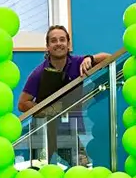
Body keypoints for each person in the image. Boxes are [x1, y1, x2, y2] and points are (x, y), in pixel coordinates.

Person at [18, 26, 110, 161]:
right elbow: (22, 104)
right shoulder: (38, 73)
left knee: (83, 167)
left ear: (68, 44)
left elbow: (109, 58)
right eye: (53, 40)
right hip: (42, 131)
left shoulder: (79, 63)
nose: (58, 43)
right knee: (39, 170)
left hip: (69, 130)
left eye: (62, 40)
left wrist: (91, 58)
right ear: (47, 47)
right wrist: (48, 110)